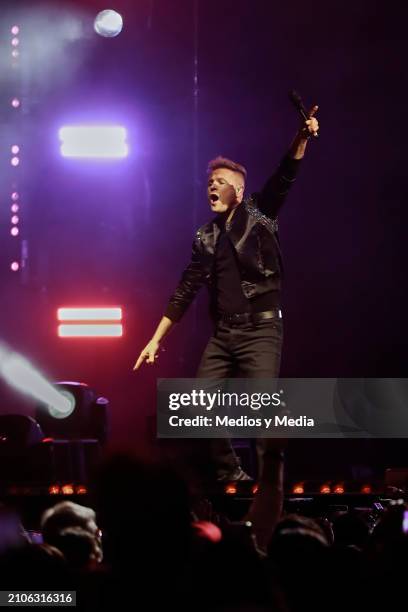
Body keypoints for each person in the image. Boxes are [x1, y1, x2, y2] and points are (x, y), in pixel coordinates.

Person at [134, 106, 319, 482]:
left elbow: (285, 176)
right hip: (224, 335)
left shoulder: (260, 215)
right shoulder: (205, 237)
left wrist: (301, 136)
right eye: (208, 184)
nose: (212, 187)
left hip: (261, 331)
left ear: (239, 189)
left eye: (220, 181)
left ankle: (271, 486)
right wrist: (155, 340)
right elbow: (185, 289)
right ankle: (231, 474)